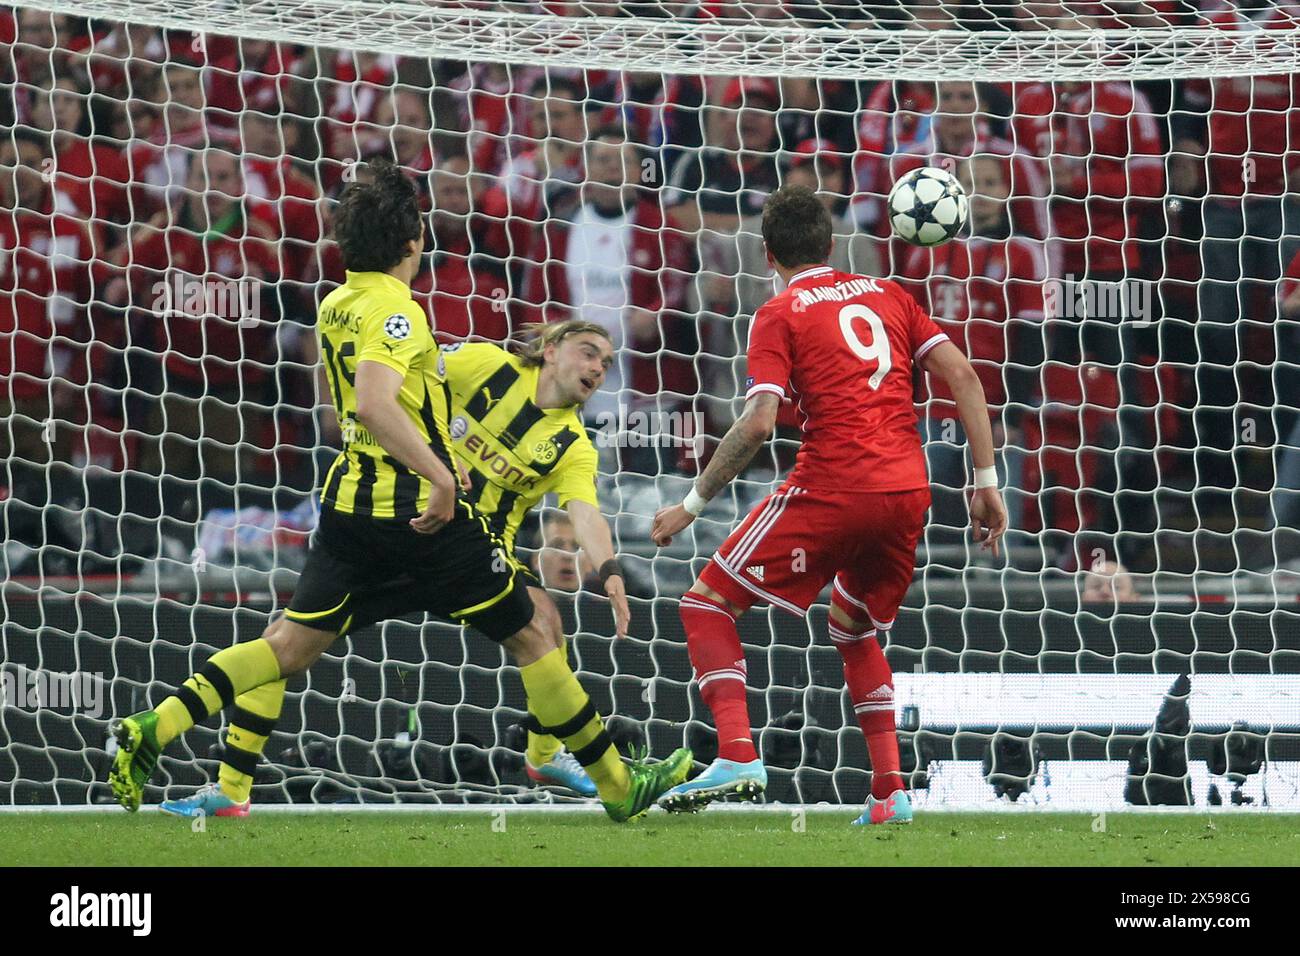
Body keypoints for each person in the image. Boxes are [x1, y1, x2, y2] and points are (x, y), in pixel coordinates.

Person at [107, 161, 690, 823]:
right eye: (587, 351)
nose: (597, 367)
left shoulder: (338, 304)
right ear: (413, 242)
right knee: (534, 632)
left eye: (606, 362)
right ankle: (615, 785)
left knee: (288, 646)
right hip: (429, 521)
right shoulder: (428, 331)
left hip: (356, 507)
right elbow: (380, 398)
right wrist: (442, 475)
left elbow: (580, 507)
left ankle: (161, 730)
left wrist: (608, 566)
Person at [650, 185, 1007, 825]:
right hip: (907, 492)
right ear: (833, 243)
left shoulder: (780, 312)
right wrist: (985, 481)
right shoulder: (890, 295)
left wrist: (692, 503)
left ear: (767, 254)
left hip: (835, 485)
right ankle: (890, 791)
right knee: (853, 624)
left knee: (705, 603)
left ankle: (736, 753)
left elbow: (759, 422)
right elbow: (965, 377)